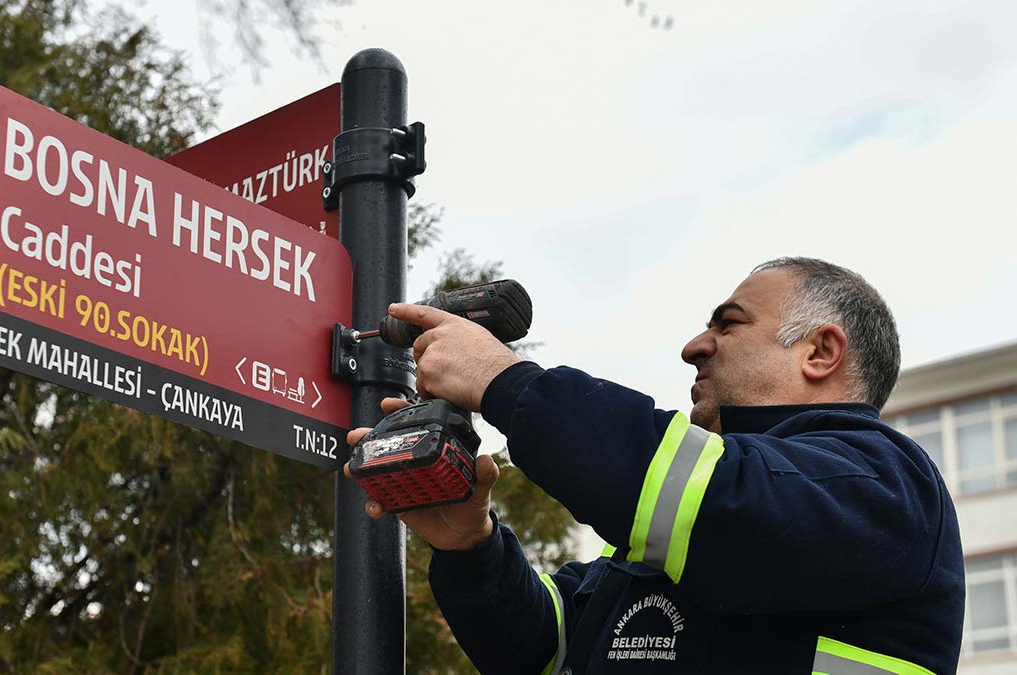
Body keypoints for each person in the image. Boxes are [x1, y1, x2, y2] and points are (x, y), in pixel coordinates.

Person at [346, 257, 964, 674]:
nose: (694, 346)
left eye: (729, 324)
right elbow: (541, 649)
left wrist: (504, 382)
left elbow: (721, 500)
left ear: (820, 351)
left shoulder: (887, 486)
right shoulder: (658, 550)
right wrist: (470, 547)